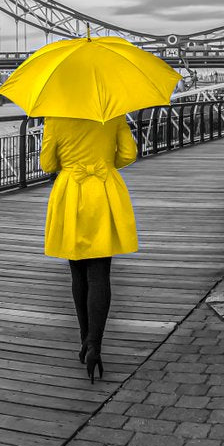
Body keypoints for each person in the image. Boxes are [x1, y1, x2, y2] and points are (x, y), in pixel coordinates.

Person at [39, 115, 138, 383]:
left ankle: (85, 340)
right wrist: (103, 165)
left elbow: (47, 163)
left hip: (71, 192)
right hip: (103, 190)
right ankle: (95, 343)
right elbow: (129, 154)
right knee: (99, 273)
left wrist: (71, 164)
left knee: (77, 273)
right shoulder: (114, 115)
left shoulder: (55, 119)